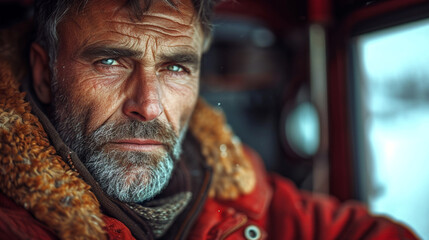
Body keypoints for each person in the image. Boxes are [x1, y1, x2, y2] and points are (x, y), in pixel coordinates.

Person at [0, 0, 419, 239]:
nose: (148, 106)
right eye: (109, 61)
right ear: (44, 74)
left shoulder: (237, 188)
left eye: (176, 68)